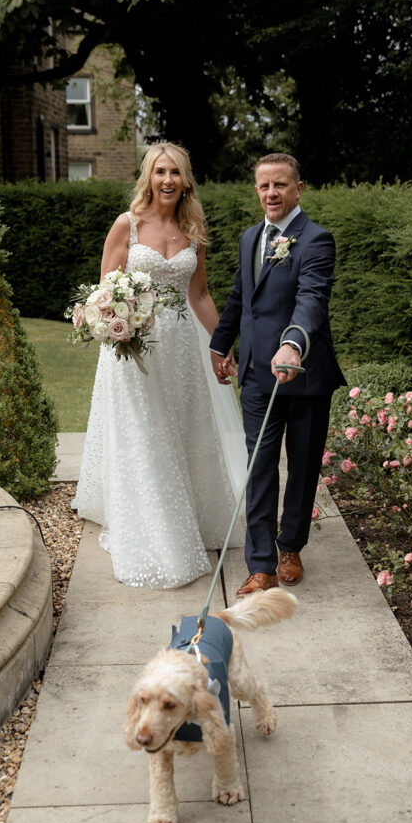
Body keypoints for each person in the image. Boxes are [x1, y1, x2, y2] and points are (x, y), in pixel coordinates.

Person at [72, 143, 246, 588]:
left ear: (186, 180)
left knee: (181, 429)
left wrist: (224, 345)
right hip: (135, 351)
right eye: (159, 171)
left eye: (175, 173)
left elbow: (200, 296)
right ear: (148, 177)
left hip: (184, 349)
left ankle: (192, 516)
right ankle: (156, 533)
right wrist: (115, 323)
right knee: (146, 435)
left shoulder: (193, 230)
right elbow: (103, 292)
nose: (167, 180)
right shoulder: (126, 226)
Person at [210, 152, 345, 595]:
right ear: (256, 189)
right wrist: (220, 343)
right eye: (265, 185)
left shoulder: (316, 240)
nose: (272, 193)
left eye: (281, 185)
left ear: (298, 188)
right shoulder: (251, 237)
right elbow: (239, 296)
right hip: (256, 376)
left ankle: (290, 547)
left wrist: (293, 343)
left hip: (304, 374)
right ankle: (261, 565)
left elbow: (312, 299)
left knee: (303, 468)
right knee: (260, 467)